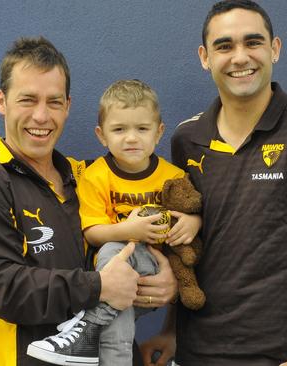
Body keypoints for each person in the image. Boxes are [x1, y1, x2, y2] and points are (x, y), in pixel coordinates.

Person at [140, 1, 287, 366]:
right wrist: (172, 331)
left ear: (275, 49)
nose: (240, 57)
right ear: (205, 57)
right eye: (224, 46)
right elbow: (190, 247)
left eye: (252, 42)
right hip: (196, 356)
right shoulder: (187, 139)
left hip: (285, 358)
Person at [0, 37, 177, 366]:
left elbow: (124, 267)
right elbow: (0, 288)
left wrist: (163, 286)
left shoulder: (86, 178)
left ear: (67, 106)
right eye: (28, 99)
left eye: (53, 102)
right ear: (2, 101)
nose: (41, 116)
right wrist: (96, 286)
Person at [27, 79, 202, 366]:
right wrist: (128, 231)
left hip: (156, 269)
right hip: (113, 273)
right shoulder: (95, 176)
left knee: (114, 262)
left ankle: (89, 326)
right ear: (102, 135)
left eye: (142, 129)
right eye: (119, 129)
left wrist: (193, 222)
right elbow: (93, 232)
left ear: (158, 132)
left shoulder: (174, 175)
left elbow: (190, 206)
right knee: (111, 254)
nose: (131, 138)